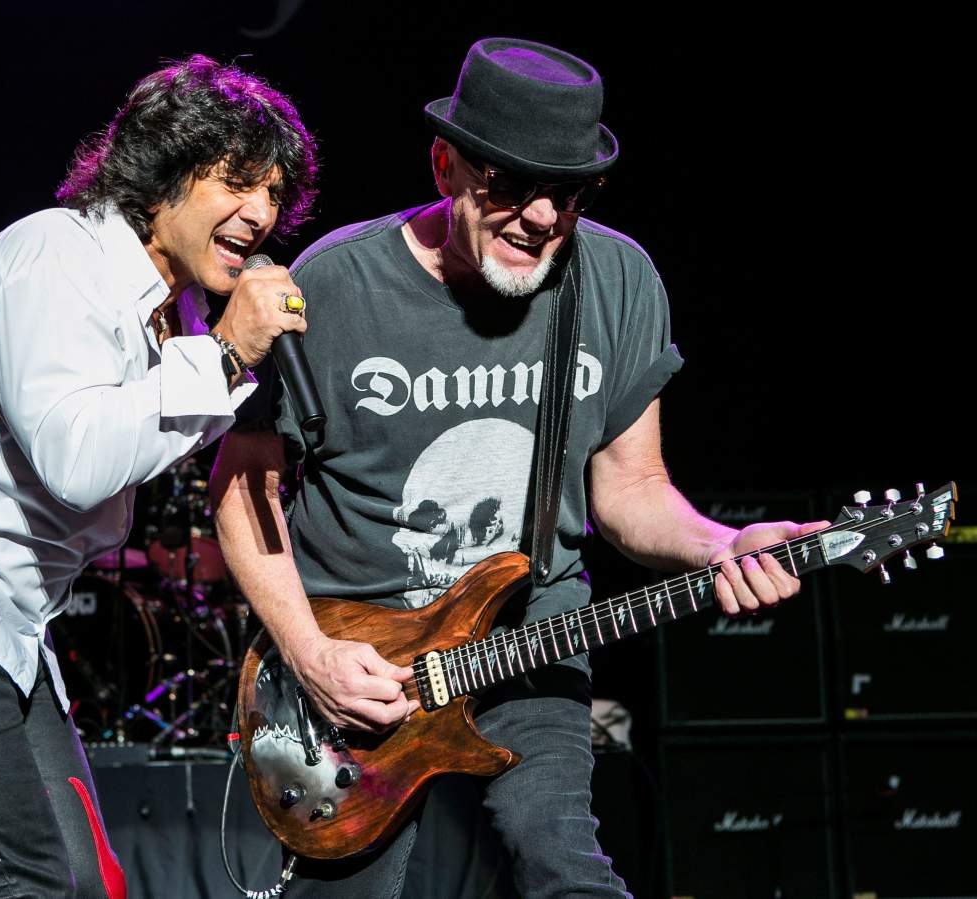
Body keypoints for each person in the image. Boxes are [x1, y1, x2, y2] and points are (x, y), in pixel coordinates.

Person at [211, 38, 826, 898]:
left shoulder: (617, 280)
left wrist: (721, 544)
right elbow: (241, 488)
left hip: (531, 639)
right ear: (444, 165)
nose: (541, 215)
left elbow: (631, 491)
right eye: (508, 183)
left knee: (563, 865)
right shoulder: (337, 285)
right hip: (357, 670)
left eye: (566, 194)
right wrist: (308, 650)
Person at [0, 54, 316, 898]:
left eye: (274, 196)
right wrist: (225, 354)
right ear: (162, 176)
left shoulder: (170, 314)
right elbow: (76, 459)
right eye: (237, 183)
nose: (261, 214)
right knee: (23, 880)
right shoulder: (55, 256)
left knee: (86, 879)